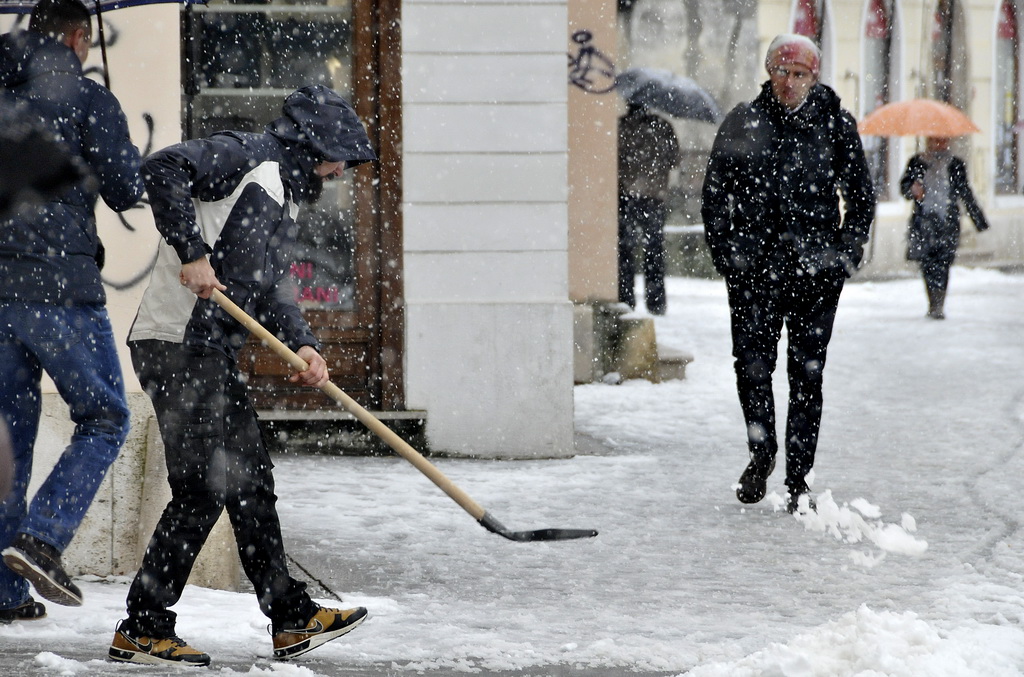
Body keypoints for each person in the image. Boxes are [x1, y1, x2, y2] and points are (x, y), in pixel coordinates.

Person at [108, 85, 376, 667]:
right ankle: (145, 626)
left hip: (207, 352)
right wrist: (191, 252)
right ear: (315, 143)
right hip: (175, 344)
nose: (341, 170)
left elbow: (275, 284)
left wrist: (304, 344)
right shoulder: (250, 155)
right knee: (205, 488)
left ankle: (290, 618)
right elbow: (162, 166)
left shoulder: (288, 200)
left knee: (250, 481)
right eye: (340, 158)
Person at [0, 0, 144, 619]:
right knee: (107, 417)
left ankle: (4, 594)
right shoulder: (88, 100)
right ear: (81, 37)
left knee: (7, 441)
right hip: (60, 291)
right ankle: (43, 538)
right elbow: (127, 190)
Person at [701, 34, 876, 513]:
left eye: (799, 74)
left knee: (807, 376)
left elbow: (861, 197)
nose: (789, 82)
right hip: (754, 272)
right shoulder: (744, 122)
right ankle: (762, 453)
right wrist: (727, 253)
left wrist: (845, 252)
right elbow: (714, 191)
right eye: (781, 71)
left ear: (813, 78)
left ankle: (799, 479)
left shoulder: (835, 127)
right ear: (768, 71)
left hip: (815, 274)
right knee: (753, 368)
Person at [899, 136, 988, 320]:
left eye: (942, 141)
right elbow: (904, 189)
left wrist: (978, 220)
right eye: (935, 140)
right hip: (923, 221)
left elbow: (965, 192)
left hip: (948, 222)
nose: (939, 145)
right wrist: (912, 189)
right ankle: (932, 301)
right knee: (927, 263)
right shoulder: (917, 162)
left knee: (944, 262)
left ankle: (938, 304)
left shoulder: (955, 164)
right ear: (928, 141)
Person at [618, 101, 681, 315]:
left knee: (624, 250)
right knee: (654, 251)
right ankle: (656, 301)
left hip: (625, 196)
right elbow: (674, 160)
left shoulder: (620, 127)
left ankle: (625, 297)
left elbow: (613, 159)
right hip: (654, 197)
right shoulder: (662, 127)